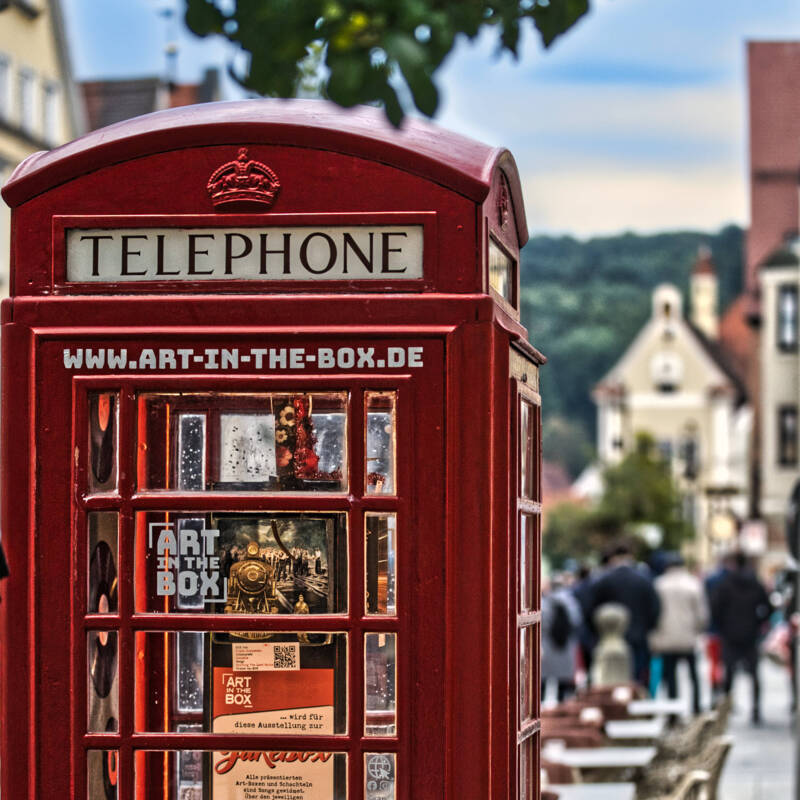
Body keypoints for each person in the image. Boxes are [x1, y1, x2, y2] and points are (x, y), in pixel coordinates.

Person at [710, 551, 772, 724]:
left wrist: (722, 626)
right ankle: (756, 710)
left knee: (728, 674)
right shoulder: (755, 583)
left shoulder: (725, 584)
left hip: (730, 633)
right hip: (750, 633)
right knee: (754, 674)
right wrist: (758, 623)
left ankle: (726, 710)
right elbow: (768, 606)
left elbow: (715, 609)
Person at [590, 542, 660, 688]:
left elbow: (592, 609)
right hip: (639, 637)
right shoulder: (644, 579)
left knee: (612, 682)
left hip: (610, 637)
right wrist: (648, 628)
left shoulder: (604, 580)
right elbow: (655, 608)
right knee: (637, 680)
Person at [648, 553, 708, 713]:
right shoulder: (693, 584)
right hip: (688, 637)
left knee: (671, 675)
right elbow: (702, 614)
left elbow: (653, 612)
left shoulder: (659, 584)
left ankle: (673, 711)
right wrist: (698, 629)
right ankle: (696, 706)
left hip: (665, 637)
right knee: (693, 675)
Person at [541, 576, 583, 702]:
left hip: (547, 645)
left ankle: (540, 707)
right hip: (566, 646)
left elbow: (542, 624)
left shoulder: (544, 603)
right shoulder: (571, 602)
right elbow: (577, 622)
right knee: (563, 683)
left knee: (542, 681)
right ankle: (562, 704)